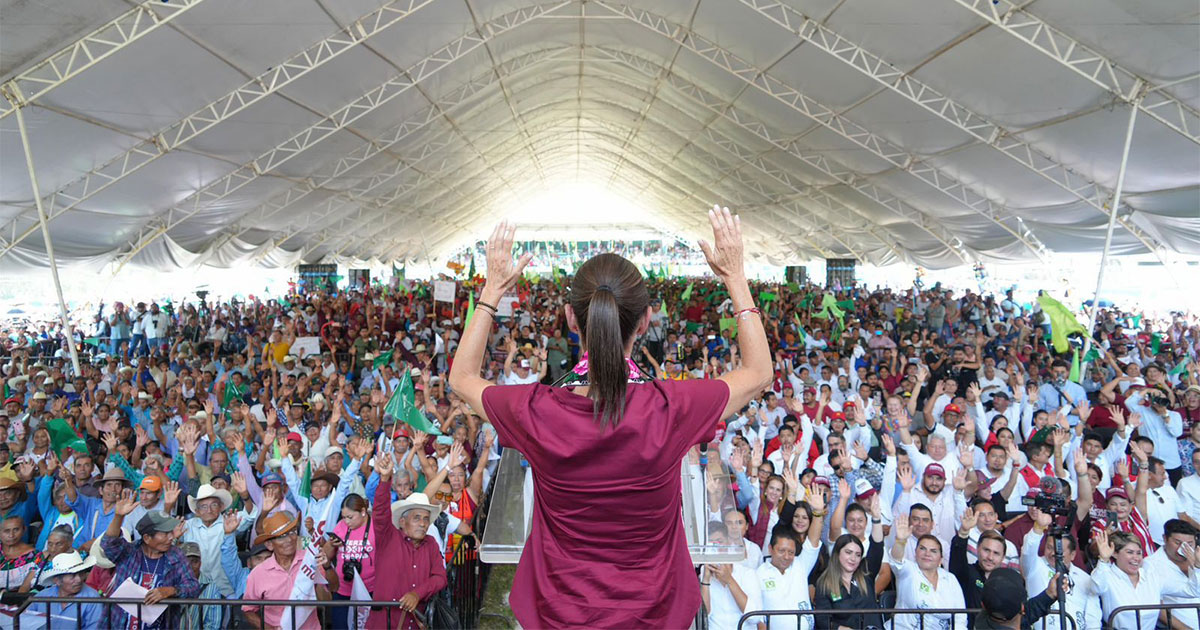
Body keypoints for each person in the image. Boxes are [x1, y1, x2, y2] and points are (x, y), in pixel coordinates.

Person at [448, 210, 772, 628]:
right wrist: (735, 277)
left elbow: (461, 378)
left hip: (561, 614)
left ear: (570, 318)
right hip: (650, 614)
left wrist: (492, 291)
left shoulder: (539, 411)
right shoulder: (670, 408)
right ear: (645, 321)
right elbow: (759, 373)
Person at [100, 489, 202, 630]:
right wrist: (118, 516)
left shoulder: (176, 555)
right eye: (165, 534)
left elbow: (193, 587)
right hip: (121, 624)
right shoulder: (129, 552)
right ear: (147, 538)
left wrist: (171, 591)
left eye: (170, 533)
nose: (171, 537)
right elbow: (108, 545)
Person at [368, 451, 447, 630]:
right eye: (417, 518)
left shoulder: (431, 543)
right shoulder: (388, 536)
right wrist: (385, 479)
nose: (423, 523)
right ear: (402, 521)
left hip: (416, 623)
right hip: (385, 624)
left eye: (426, 519)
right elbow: (380, 512)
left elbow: (440, 577)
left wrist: (417, 594)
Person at [242, 512, 336, 630]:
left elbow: (326, 600)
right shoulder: (258, 574)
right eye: (281, 536)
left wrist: (326, 567)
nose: (289, 539)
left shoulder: (310, 560)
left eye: (292, 532)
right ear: (269, 544)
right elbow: (248, 610)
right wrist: (269, 629)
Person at [1092, 529, 1200, 630]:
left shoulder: (1152, 576)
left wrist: (1197, 567)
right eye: (1130, 552)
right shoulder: (1107, 575)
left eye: (1139, 553)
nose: (1136, 558)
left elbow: (1193, 591)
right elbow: (1096, 587)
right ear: (1115, 553)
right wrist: (1104, 560)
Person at [888, 513, 968, 630]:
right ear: (915, 553)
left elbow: (960, 619)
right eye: (922, 548)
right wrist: (900, 541)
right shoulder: (908, 571)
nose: (927, 554)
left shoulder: (950, 579)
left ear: (941, 558)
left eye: (933, 551)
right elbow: (896, 560)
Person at [812, 530, 885, 630]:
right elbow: (822, 620)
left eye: (858, 555)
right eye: (848, 552)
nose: (853, 558)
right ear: (837, 553)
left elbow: (877, 548)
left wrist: (876, 518)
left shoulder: (866, 574)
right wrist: (841, 628)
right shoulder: (825, 583)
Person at [700, 522, 763, 630]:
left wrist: (729, 580)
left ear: (728, 542)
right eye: (711, 543)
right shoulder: (704, 573)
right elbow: (703, 618)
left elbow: (755, 617)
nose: (716, 548)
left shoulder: (747, 573)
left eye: (720, 542)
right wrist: (705, 580)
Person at [24, 550, 102, 630]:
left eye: (81, 574)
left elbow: (94, 627)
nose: (79, 579)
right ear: (57, 581)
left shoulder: (92, 597)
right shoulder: (42, 596)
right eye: (72, 575)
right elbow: (26, 623)